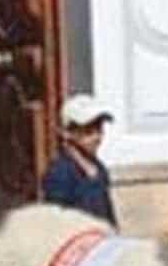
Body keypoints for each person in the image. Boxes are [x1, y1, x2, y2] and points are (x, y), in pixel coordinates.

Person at [42, 94, 119, 227]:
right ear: (67, 132)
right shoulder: (60, 173)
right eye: (88, 131)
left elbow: (106, 211)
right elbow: (55, 222)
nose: (96, 137)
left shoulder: (98, 168)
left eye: (99, 129)